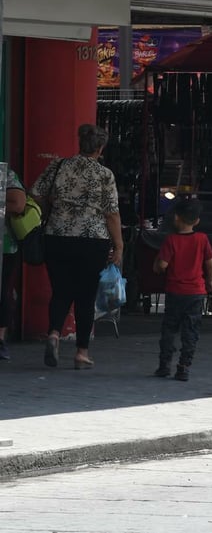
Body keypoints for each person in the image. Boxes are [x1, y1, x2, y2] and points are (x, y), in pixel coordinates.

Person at [31, 124, 123, 370]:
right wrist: (119, 245)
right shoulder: (104, 174)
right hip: (92, 240)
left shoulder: (58, 166)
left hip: (57, 236)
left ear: (80, 143)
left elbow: (36, 193)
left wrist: (55, 204)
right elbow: (111, 213)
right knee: (85, 296)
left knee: (61, 291)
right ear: (101, 148)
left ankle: (53, 334)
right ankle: (82, 352)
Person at [152, 198, 212, 381]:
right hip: (196, 292)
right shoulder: (202, 239)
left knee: (169, 329)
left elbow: (162, 265)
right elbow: (210, 264)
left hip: (175, 291)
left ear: (176, 218)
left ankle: (164, 366)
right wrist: (210, 281)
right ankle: (184, 367)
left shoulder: (171, 240)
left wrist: (157, 265)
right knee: (191, 331)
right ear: (197, 221)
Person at [0, 169, 27, 361]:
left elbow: (18, 204)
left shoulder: (5, 174)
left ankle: (0, 339)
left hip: (4, 246)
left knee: (3, 291)